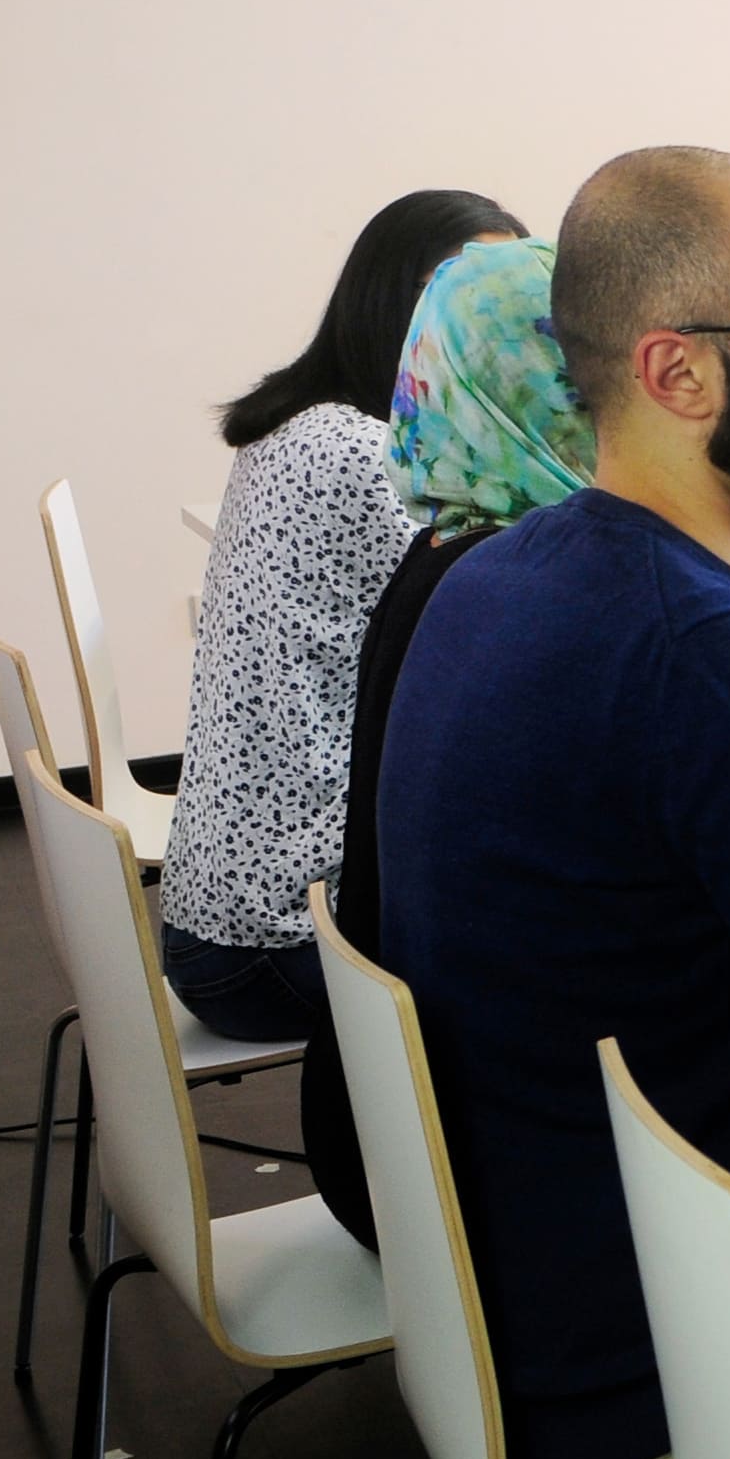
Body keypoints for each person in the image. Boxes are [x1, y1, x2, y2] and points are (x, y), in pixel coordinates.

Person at [380, 146, 730, 1459]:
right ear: (677, 374)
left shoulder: (496, 579)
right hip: (664, 1450)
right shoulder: (707, 663)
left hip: (532, 1382)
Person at [159, 188, 524, 1154]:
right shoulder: (367, 459)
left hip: (221, 911)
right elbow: (518, 610)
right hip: (277, 944)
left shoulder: (300, 423)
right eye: (469, 297)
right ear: (402, 304)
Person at [302, 237, 595, 1246]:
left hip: (383, 1127)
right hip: (456, 1192)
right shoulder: (530, 588)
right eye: (581, 365)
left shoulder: (442, 547)